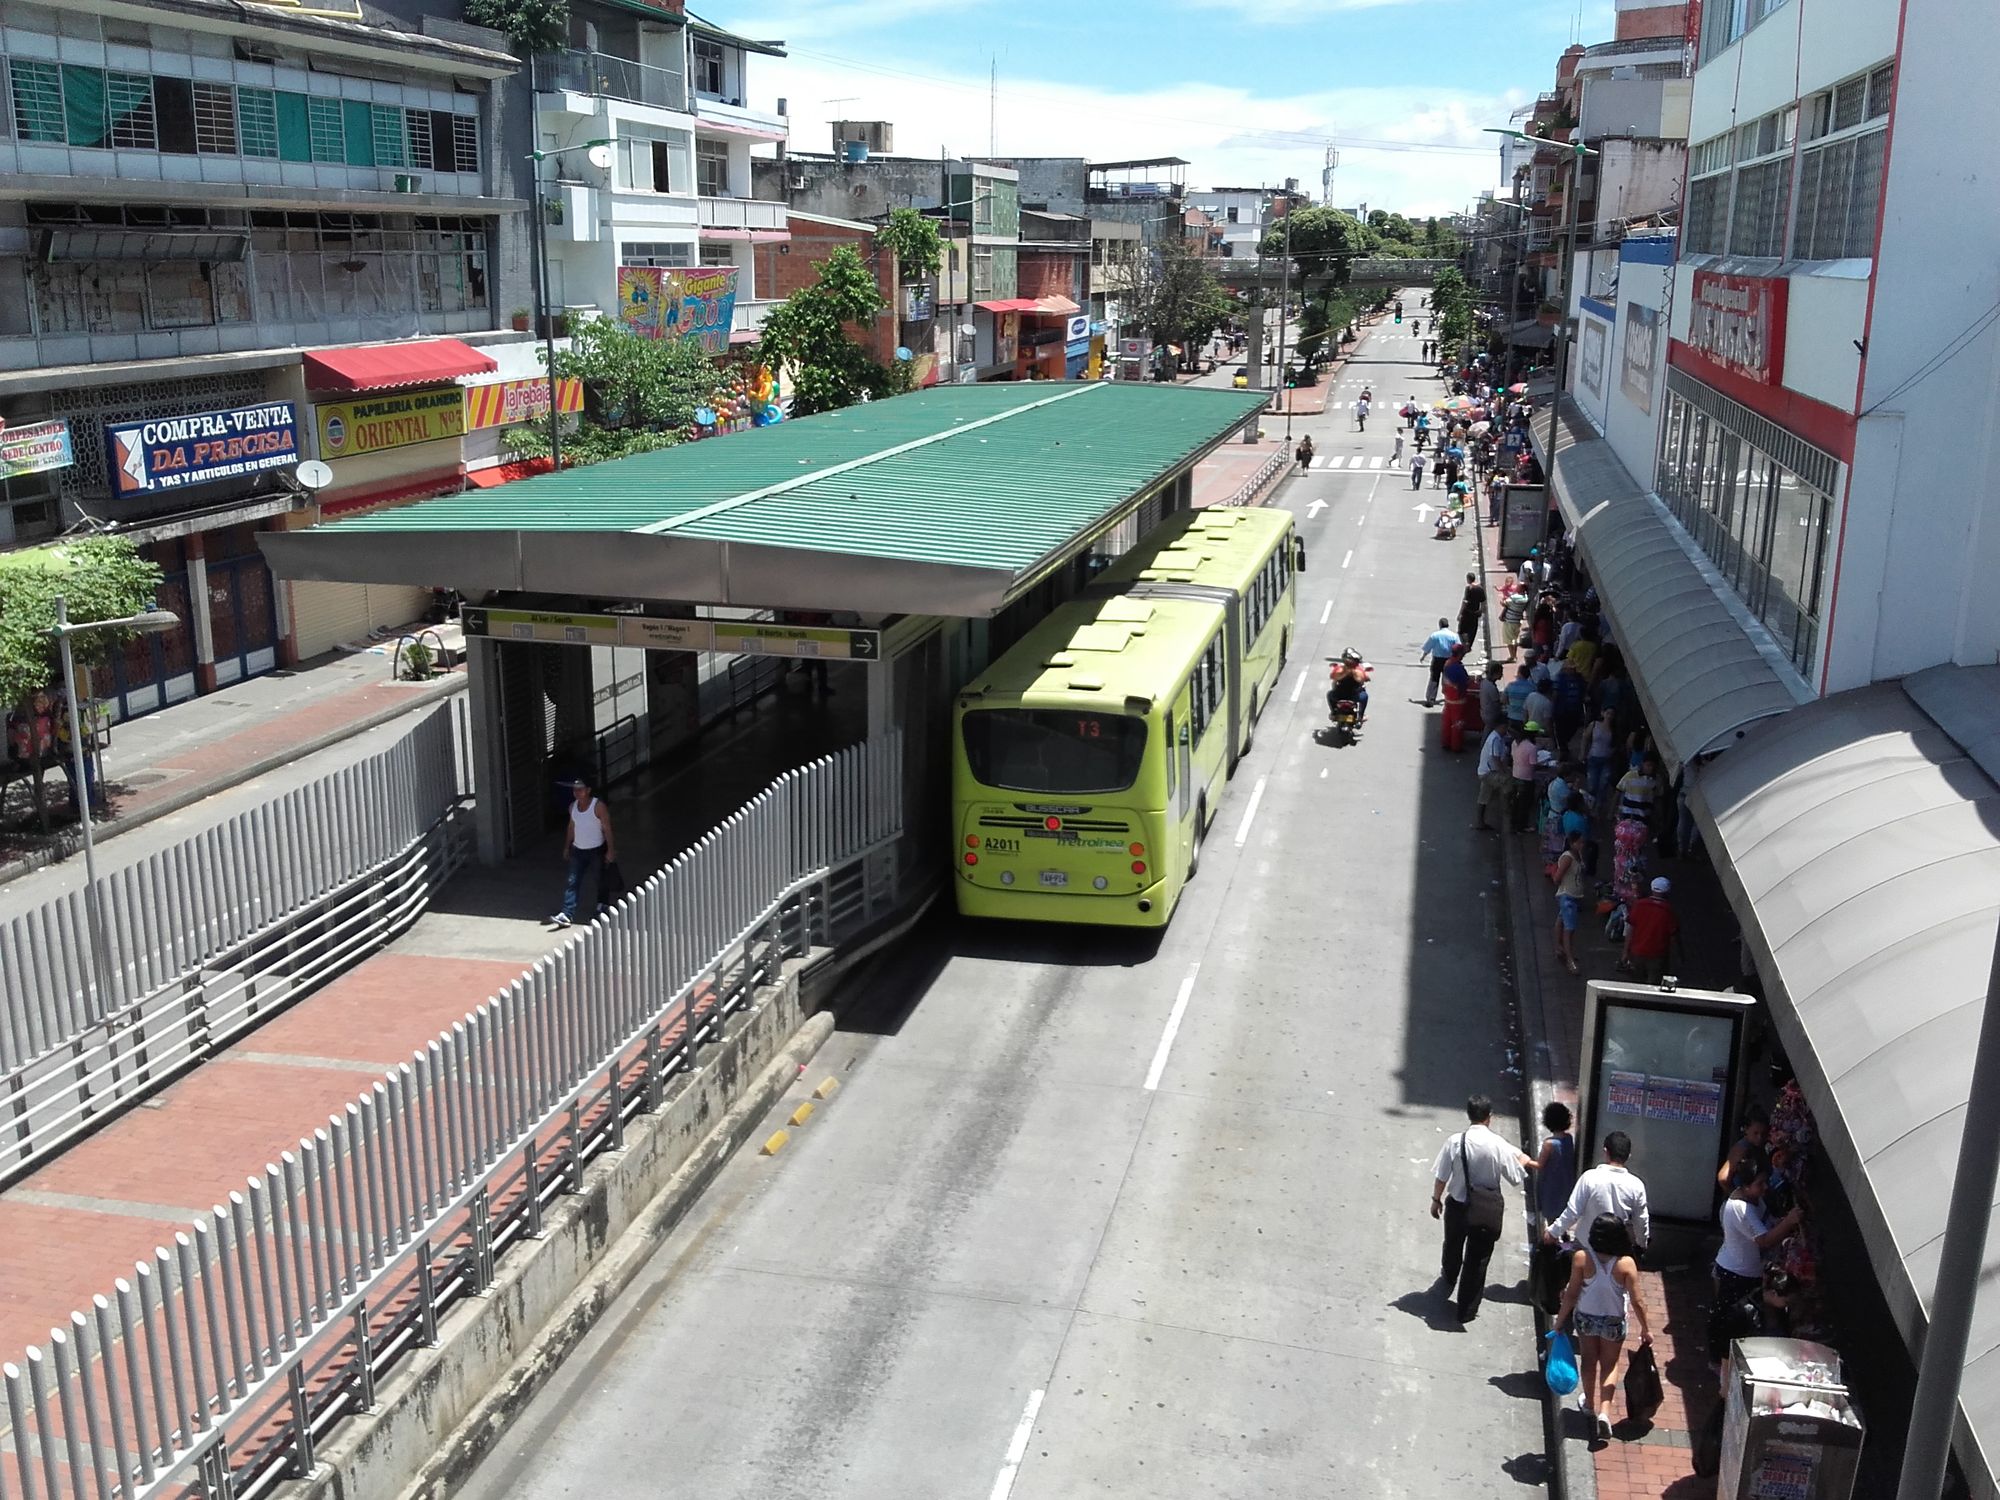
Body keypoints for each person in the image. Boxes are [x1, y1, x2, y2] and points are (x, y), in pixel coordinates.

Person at [1430, 1093, 1534, 1322]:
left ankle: (1449, 1275)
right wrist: (1523, 1160)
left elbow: (1441, 1177)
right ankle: (1466, 1310)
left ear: (1469, 1115)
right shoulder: (1498, 1144)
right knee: (1477, 1261)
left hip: (1457, 1206)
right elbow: (1515, 1176)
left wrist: (1436, 1200)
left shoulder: (1455, 1142)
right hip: (1485, 1211)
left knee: (1453, 1245)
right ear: (1489, 1117)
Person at [1558, 1215, 1653, 1440]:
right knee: (1610, 1366)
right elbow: (1638, 1300)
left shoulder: (1582, 1258)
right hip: (1613, 1321)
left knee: (1589, 1361)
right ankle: (1605, 1412)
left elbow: (1571, 1294)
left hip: (1586, 1319)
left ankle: (1589, 1404)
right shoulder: (1626, 1263)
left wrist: (1559, 1321)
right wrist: (1646, 1328)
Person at [1711, 1151, 1803, 1364]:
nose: (1765, 1188)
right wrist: (1789, 1222)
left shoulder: (1753, 1199)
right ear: (1745, 1186)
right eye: (1759, 1184)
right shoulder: (1740, 1209)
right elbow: (1765, 1240)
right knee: (1731, 1319)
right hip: (1736, 1273)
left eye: (1765, 1182)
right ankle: (1720, 1361)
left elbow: (1766, 1223)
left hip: (1749, 1270)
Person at [1547, 1130, 1651, 1256]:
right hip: (1614, 1250)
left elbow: (1573, 1212)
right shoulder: (1636, 1185)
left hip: (1584, 1246)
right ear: (1628, 1156)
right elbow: (1641, 1220)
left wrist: (1553, 1233)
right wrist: (1642, 1243)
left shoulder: (1589, 1177)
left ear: (1605, 1151)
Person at [554, 777, 617, 927]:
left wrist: (610, 850)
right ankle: (567, 913)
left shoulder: (598, 806)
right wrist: (567, 846)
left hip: (596, 851)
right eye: (575, 790)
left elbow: (607, 829)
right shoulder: (573, 807)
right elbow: (571, 827)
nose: (577, 792)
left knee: (600, 880)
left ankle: (602, 906)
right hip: (578, 850)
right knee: (572, 881)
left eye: (580, 789)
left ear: (588, 790)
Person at [1622, 876, 1681, 983]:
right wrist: (1679, 955)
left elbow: (1630, 929)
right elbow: (1673, 936)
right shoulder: (1668, 911)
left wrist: (1625, 952)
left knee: (1636, 984)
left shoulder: (1639, 905)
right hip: (1657, 956)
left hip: (1637, 952)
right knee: (1653, 986)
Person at [1551, 830, 1588, 974]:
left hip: (1573, 895)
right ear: (1572, 843)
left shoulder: (1578, 855)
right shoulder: (1568, 858)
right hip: (1568, 896)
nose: (1582, 845)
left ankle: (1559, 948)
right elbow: (1557, 878)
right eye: (1579, 842)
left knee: (1561, 921)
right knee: (1569, 927)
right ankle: (1570, 959)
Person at [1717, 1104, 1771, 1189]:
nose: (1760, 1137)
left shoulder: (1758, 1147)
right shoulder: (1742, 1150)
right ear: (1746, 1129)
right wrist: (1737, 1194)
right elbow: (1723, 1179)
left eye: (1763, 1134)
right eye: (1755, 1133)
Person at [1474, 723, 1512, 832]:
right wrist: (1503, 772)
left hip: (1486, 771)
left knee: (1484, 795)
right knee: (1508, 784)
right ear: (1501, 726)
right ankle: (1507, 815)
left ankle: (1480, 822)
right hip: (1488, 772)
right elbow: (1496, 759)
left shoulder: (1499, 738)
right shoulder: (1494, 739)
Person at [1419, 618, 1460, 706]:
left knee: (1434, 678)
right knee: (1447, 680)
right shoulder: (1454, 636)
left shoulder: (1435, 635)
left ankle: (1431, 699)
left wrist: (1423, 656)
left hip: (1437, 660)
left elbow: (1428, 648)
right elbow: (1458, 648)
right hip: (1448, 660)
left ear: (1440, 625)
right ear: (1448, 625)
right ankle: (1448, 697)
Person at [1511, 720, 1542, 832]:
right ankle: (1522, 826)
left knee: (1516, 802)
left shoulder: (1515, 743)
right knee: (1525, 803)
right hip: (1527, 778)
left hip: (1515, 775)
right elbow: (1533, 764)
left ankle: (1514, 824)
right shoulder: (1532, 748)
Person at [1328, 648, 1371, 724]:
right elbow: (1362, 679)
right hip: (1350, 695)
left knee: (1330, 695)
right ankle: (1360, 717)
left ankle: (1334, 714)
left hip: (1344, 695)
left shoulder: (1343, 669)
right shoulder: (1356, 670)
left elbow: (1361, 679)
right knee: (1364, 697)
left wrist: (1351, 672)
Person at [1499, 584, 1529, 662]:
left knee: (1509, 639)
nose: (1516, 587)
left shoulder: (1515, 597)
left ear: (1522, 589)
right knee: (1514, 639)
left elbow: (1504, 603)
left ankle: (1512, 657)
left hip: (1510, 621)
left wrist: (1503, 600)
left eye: (1518, 586)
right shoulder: (1526, 598)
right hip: (1517, 620)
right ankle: (1514, 655)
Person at [1456, 571, 1484, 648]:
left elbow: (1465, 601)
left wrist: (1460, 613)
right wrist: (1481, 610)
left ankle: (1463, 644)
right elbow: (1483, 601)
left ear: (1468, 579)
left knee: (1462, 629)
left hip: (1467, 612)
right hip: (1475, 612)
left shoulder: (1469, 588)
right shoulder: (1480, 588)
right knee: (1472, 629)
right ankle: (1469, 645)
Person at [1479, 661, 1506, 733]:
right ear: (1495, 673)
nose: (1502, 675)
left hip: (1485, 713)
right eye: (1500, 673)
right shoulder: (1491, 687)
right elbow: (1498, 703)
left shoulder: (1484, 682)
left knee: (1488, 730)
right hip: (1491, 715)